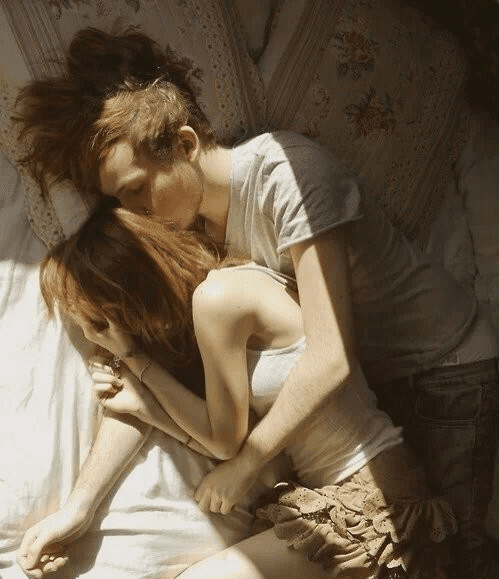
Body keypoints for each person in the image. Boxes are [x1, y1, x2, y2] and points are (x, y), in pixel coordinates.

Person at [15, 28, 499, 578]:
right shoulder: (190, 240)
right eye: (117, 200)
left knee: (459, 559)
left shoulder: (288, 176)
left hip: (446, 367)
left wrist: (246, 465)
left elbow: (332, 359)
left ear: (185, 145)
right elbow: (165, 384)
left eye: (135, 189)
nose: (132, 213)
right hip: (368, 405)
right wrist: (79, 507)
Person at [38, 203, 457, 578]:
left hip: (376, 502)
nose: (96, 337)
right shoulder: (218, 301)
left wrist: (132, 357)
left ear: (128, 297)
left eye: (98, 323)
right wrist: (145, 403)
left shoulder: (218, 299)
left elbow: (225, 443)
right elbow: (231, 441)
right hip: (364, 492)